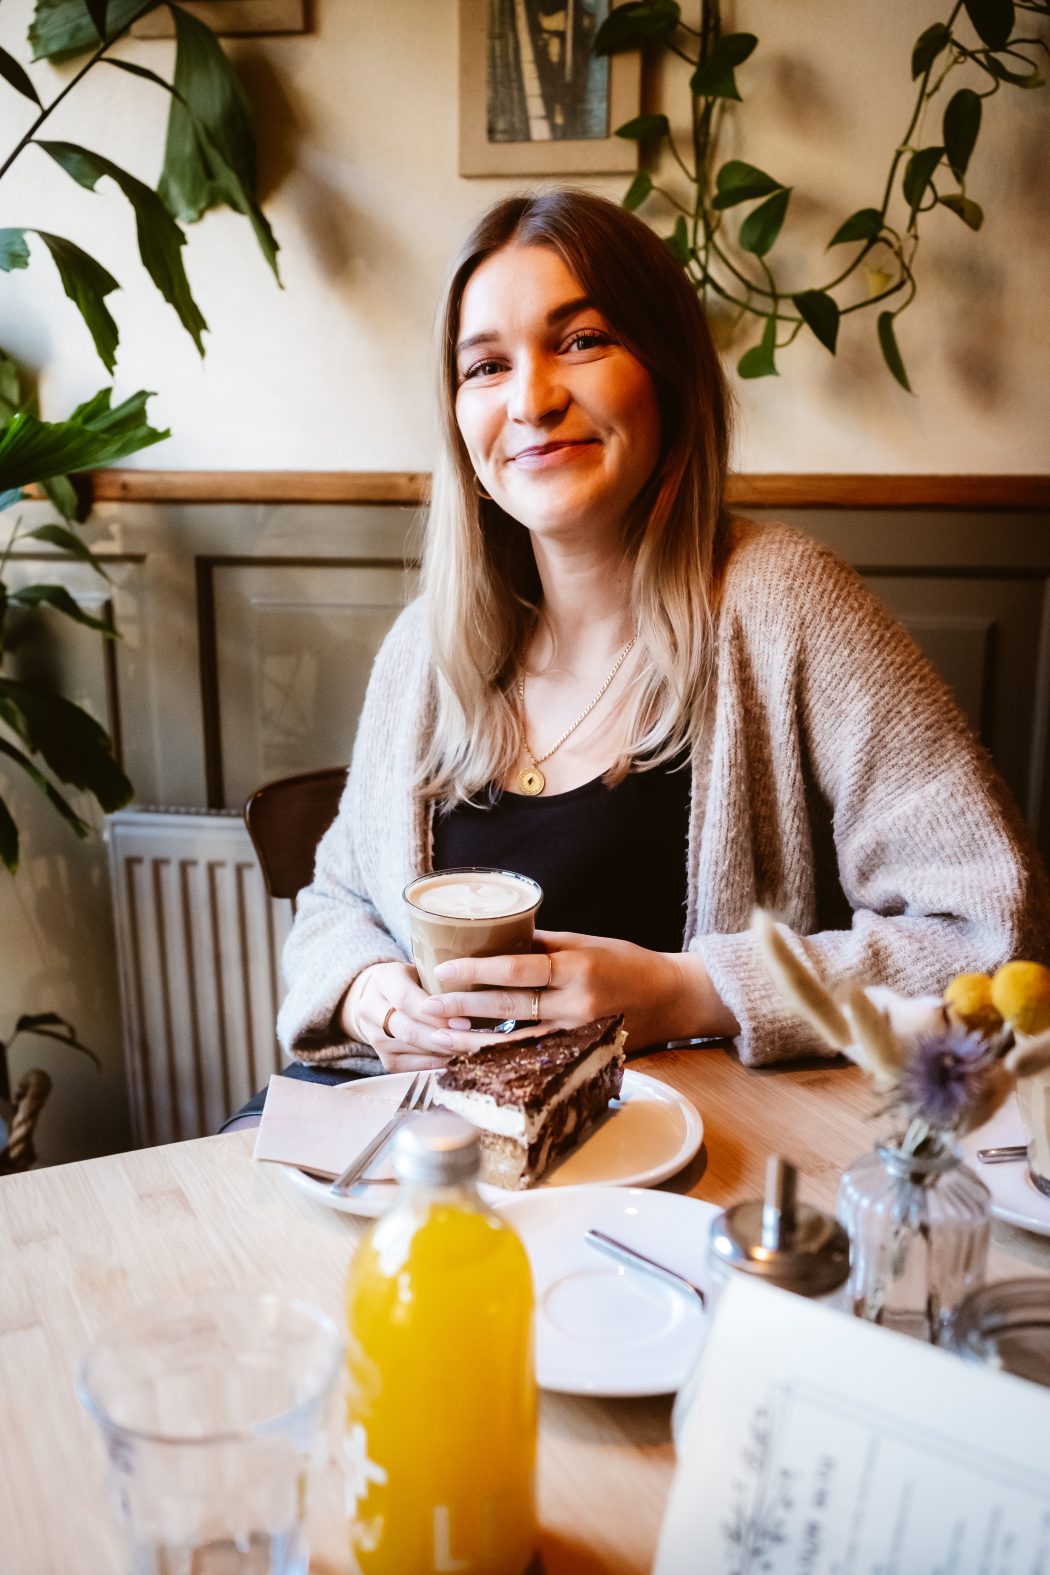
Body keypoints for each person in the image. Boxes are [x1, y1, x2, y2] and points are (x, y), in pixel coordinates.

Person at [273, 188, 1050, 1093]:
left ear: (668, 372)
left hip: (686, 1182)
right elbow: (337, 901)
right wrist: (373, 995)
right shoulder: (424, 650)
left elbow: (992, 931)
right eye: (485, 366)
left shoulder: (786, 604)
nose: (530, 399)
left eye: (581, 341)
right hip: (433, 1146)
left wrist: (691, 992)